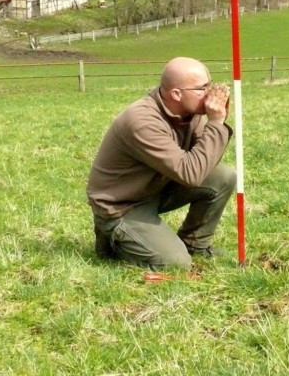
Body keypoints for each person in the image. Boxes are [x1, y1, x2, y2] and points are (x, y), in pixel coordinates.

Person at [87, 56, 236, 270]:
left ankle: (195, 245)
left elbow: (205, 162)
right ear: (176, 94)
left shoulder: (188, 112)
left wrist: (216, 125)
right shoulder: (142, 121)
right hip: (122, 205)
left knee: (223, 177)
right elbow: (190, 174)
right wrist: (215, 123)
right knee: (175, 264)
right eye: (203, 88)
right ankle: (112, 239)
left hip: (154, 188)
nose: (211, 93)